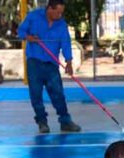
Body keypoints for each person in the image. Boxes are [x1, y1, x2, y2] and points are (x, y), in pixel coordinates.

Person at [17, 0, 82, 134]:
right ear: (50, 9)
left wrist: (69, 62)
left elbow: (65, 43)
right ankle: (42, 123)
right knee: (36, 94)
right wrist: (29, 37)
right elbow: (21, 31)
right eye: (58, 12)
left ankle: (65, 122)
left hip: (51, 64)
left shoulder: (61, 24)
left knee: (58, 94)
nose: (60, 15)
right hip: (34, 62)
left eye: (61, 12)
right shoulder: (33, 16)